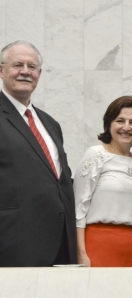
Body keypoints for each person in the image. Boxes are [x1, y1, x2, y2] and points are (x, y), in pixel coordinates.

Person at [0, 40, 76, 266]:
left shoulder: (50, 124)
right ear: (1, 70)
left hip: (61, 244)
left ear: (39, 74)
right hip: (13, 242)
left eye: (32, 67)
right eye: (17, 65)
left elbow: (59, 182)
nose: (25, 71)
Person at [74, 95, 132, 267]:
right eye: (120, 121)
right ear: (109, 124)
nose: (126, 127)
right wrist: (81, 255)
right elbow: (77, 210)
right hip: (98, 245)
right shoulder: (95, 155)